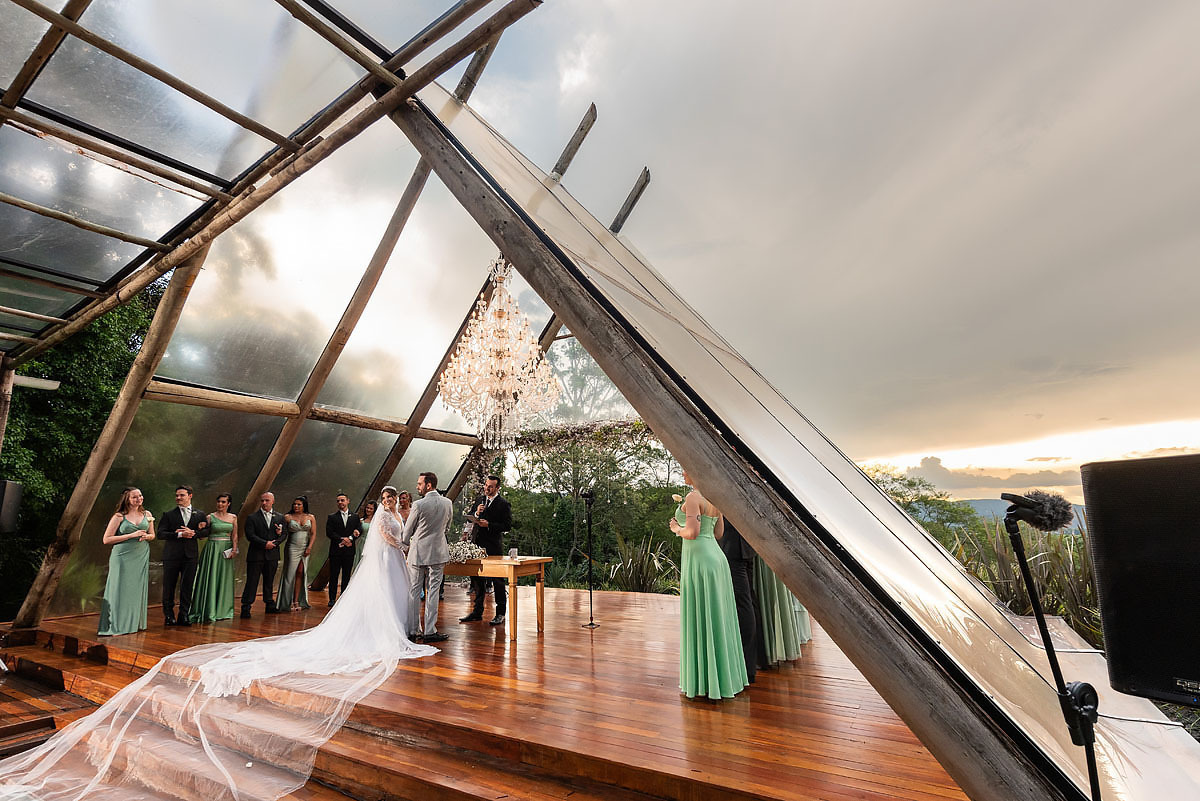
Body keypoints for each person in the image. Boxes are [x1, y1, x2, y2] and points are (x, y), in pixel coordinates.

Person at [2, 486, 436, 798]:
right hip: (376, 559)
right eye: (391, 499)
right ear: (384, 501)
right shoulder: (380, 517)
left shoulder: (392, 514)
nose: (394, 504)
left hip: (382, 559)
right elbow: (383, 535)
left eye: (396, 500)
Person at [668, 468, 748, 700]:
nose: (683, 473)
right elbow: (719, 532)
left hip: (700, 561)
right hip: (717, 559)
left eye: (685, 469)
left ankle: (705, 681)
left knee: (703, 615)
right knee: (718, 616)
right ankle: (723, 678)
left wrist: (676, 529)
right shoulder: (714, 497)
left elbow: (692, 533)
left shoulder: (693, 498)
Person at [401, 471, 453, 643]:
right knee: (433, 592)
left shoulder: (418, 505)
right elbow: (447, 527)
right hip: (438, 551)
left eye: (419, 484)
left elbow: (406, 533)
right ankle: (430, 631)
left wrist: (408, 542)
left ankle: (413, 630)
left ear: (428, 485)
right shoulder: (448, 503)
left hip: (418, 553)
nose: (417, 487)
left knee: (414, 591)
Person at [97, 487, 155, 637]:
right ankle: (115, 624)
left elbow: (152, 534)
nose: (139, 499)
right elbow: (106, 539)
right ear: (127, 499)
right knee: (119, 589)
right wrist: (131, 535)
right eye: (134, 497)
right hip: (122, 556)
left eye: (140, 495)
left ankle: (134, 623)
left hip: (140, 554)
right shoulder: (119, 516)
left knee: (135, 589)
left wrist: (147, 537)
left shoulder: (147, 514)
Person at [717, 518, 766, 683]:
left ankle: (747, 667)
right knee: (749, 601)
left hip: (733, 546)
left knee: (743, 603)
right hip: (744, 544)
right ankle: (756, 660)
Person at [459, 475, 512, 626]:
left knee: (497, 580)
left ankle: (500, 613)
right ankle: (477, 611)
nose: (487, 488)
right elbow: (469, 519)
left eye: (490, 486)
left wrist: (489, 524)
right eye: (486, 485)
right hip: (476, 544)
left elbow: (507, 526)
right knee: (476, 578)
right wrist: (476, 514)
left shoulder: (503, 504)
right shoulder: (479, 500)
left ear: (497, 488)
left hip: (493, 546)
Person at [158, 485, 207, 626]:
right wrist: (179, 534)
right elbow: (161, 534)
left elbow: (207, 532)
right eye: (177, 495)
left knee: (187, 586)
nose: (178, 498)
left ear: (190, 496)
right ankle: (168, 616)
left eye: (181, 495)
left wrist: (194, 533)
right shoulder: (168, 515)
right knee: (169, 586)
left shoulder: (200, 514)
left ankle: (184, 615)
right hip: (172, 555)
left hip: (190, 556)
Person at [189, 492, 238, 623]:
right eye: (219, 501)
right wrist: (200, 528)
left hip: (226, 550)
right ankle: (208, 610)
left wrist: (234, 549)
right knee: (210, 577)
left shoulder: (233, 517)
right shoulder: (210, 517)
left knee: (223, 578)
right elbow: (203, 536)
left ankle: (223, 610)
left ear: (228, 504)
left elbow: (234, 535)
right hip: (212, 549)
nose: (220, 504)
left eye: (223, 502)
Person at [241, 491, 286, 618]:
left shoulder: (280, 517)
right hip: (256, 555)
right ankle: (246, 606)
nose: (264, 503)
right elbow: (250, 535)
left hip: (272, 554)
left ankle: (269, 604)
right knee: (252, 581)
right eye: (262, 500)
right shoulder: (252, 518)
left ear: (273, 501)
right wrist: (264, 543)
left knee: (269, 581)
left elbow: (284, 534)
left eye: (267, 500)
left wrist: (276, 542)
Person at [279, 496, 315, 612]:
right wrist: (279, 532)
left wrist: (309, 547)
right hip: (292, 547)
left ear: (304, 505)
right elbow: (283, 532)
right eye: (294, 504)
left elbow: (313, 533)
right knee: (290, 574)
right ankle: (286, 602)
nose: (296, 506)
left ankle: (297, 600)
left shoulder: (310, 517)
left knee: (301, 572)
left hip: (305, 547)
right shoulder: (288, 517)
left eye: (299, 504)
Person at [326, 492, 361, 604]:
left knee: (346, 575)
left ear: (348, 501)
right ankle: (331, 599)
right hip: (335, 551)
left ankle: (343, 598)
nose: (340, 502)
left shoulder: (355, 517)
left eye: (342, 500)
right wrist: (342, 539)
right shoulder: (332, 517)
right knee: (334, 575)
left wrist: (350, 538)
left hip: (349, 551)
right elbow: (329, 533)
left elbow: (359, 530)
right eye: (338, 501)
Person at [353, 499, 377, 571]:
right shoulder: (361, 520)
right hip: (361, 545)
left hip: (371, 545)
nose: (368, 510)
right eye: (367, 508)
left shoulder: (376, 522)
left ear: (374, 510)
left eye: (371, 508)